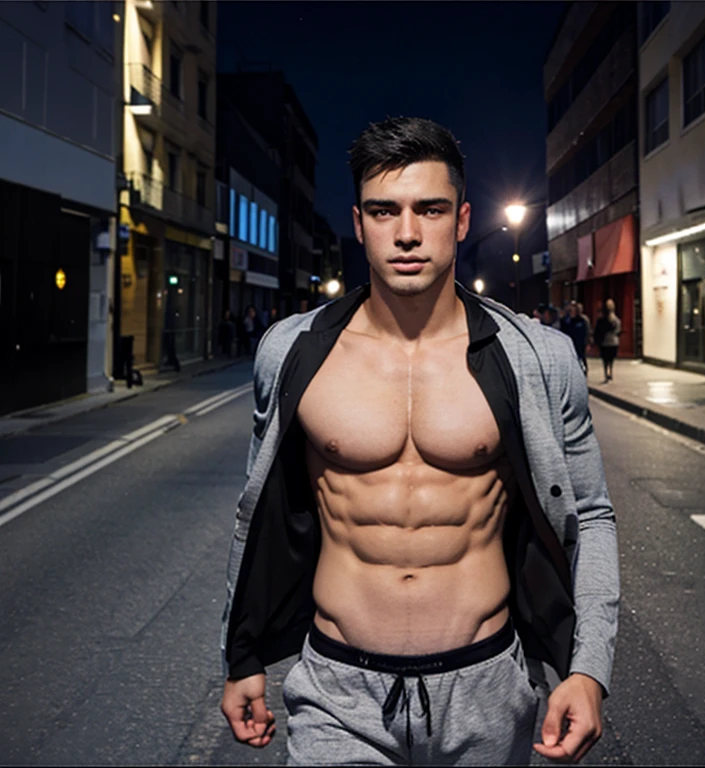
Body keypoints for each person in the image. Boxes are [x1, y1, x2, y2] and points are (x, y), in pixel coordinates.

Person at [220, 117, 619, 766]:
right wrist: (239, 657)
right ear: (357, 222)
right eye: (385, 211)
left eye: (430, 209)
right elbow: (257, 510)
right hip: (338, 691)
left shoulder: (540, 358)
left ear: (462, 221)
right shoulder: (291, 353)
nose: (407, 233)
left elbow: (592, 514)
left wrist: (589, 666)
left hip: (488, 685)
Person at [594, 299, 621, 383]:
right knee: (610, 360)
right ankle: (609, 373)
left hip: (605, 342)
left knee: (605, 360)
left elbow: (598, 330)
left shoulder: (601, 320)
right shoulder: (615, 320)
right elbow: (618, 330)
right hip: (613, 341)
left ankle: (607, 373)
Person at [563, 301, 591, 375]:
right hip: (570, 343)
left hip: (581, 343)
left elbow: (588, 331)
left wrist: (588, 343)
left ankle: (584, 372)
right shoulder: (567, 320)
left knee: (582, 358)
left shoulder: (583, 320)